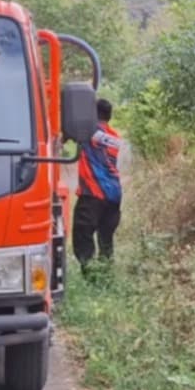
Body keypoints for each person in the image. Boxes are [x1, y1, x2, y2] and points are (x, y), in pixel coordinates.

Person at [72, 98, 123, 277]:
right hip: (114, 195)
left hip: (93, 193)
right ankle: (107, 275)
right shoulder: (115, 137)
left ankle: (91, 275)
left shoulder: (89, 131)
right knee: (105, 238)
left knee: (82, 234)